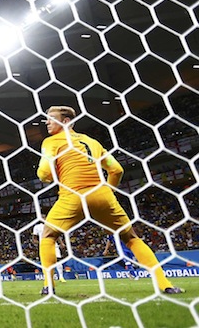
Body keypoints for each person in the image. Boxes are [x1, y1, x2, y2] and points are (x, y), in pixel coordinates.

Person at [36, 106, 183, 295]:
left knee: (48, 236)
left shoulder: (51, 142)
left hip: (73, 196)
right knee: (131, 238)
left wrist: (51, 176)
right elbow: (117, 170)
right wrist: (109, 192)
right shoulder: (92, 142)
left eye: (51, 118)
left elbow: (43, 173)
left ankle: (48, 286)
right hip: (102, 195)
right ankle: (165, 285)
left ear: (66, 121)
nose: (47, 122)